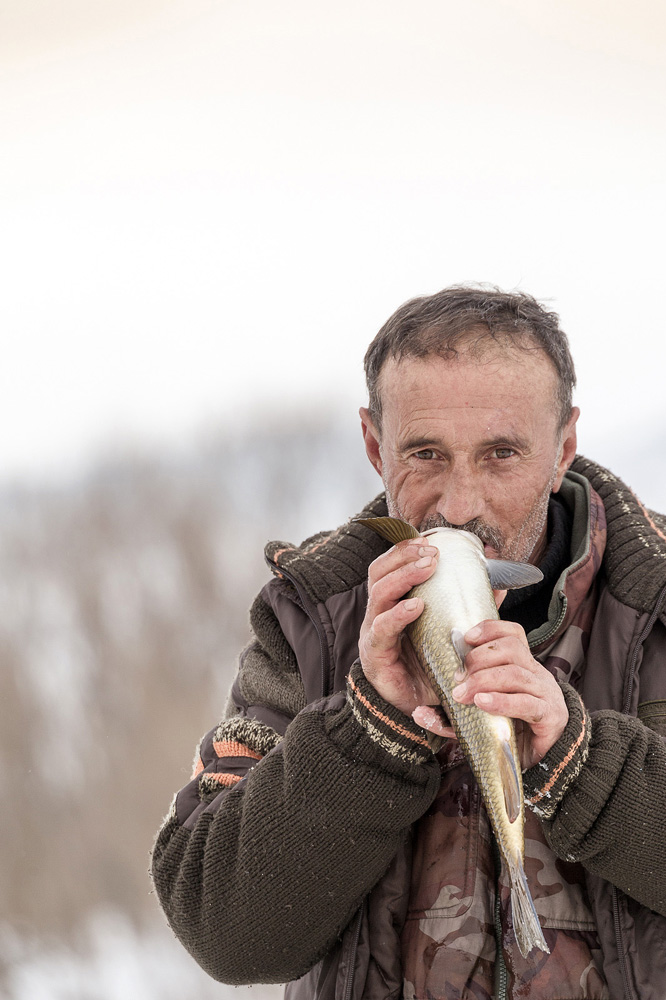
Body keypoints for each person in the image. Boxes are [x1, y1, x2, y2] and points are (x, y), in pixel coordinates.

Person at [151, 286, 666, 1000]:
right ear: (373, 445)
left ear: (564, 448)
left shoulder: (656, 596)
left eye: (501, 455)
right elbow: (223, 930)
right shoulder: (311, 617)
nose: (459, 505)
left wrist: (584, 764)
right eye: (425, 454)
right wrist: (369, 731)